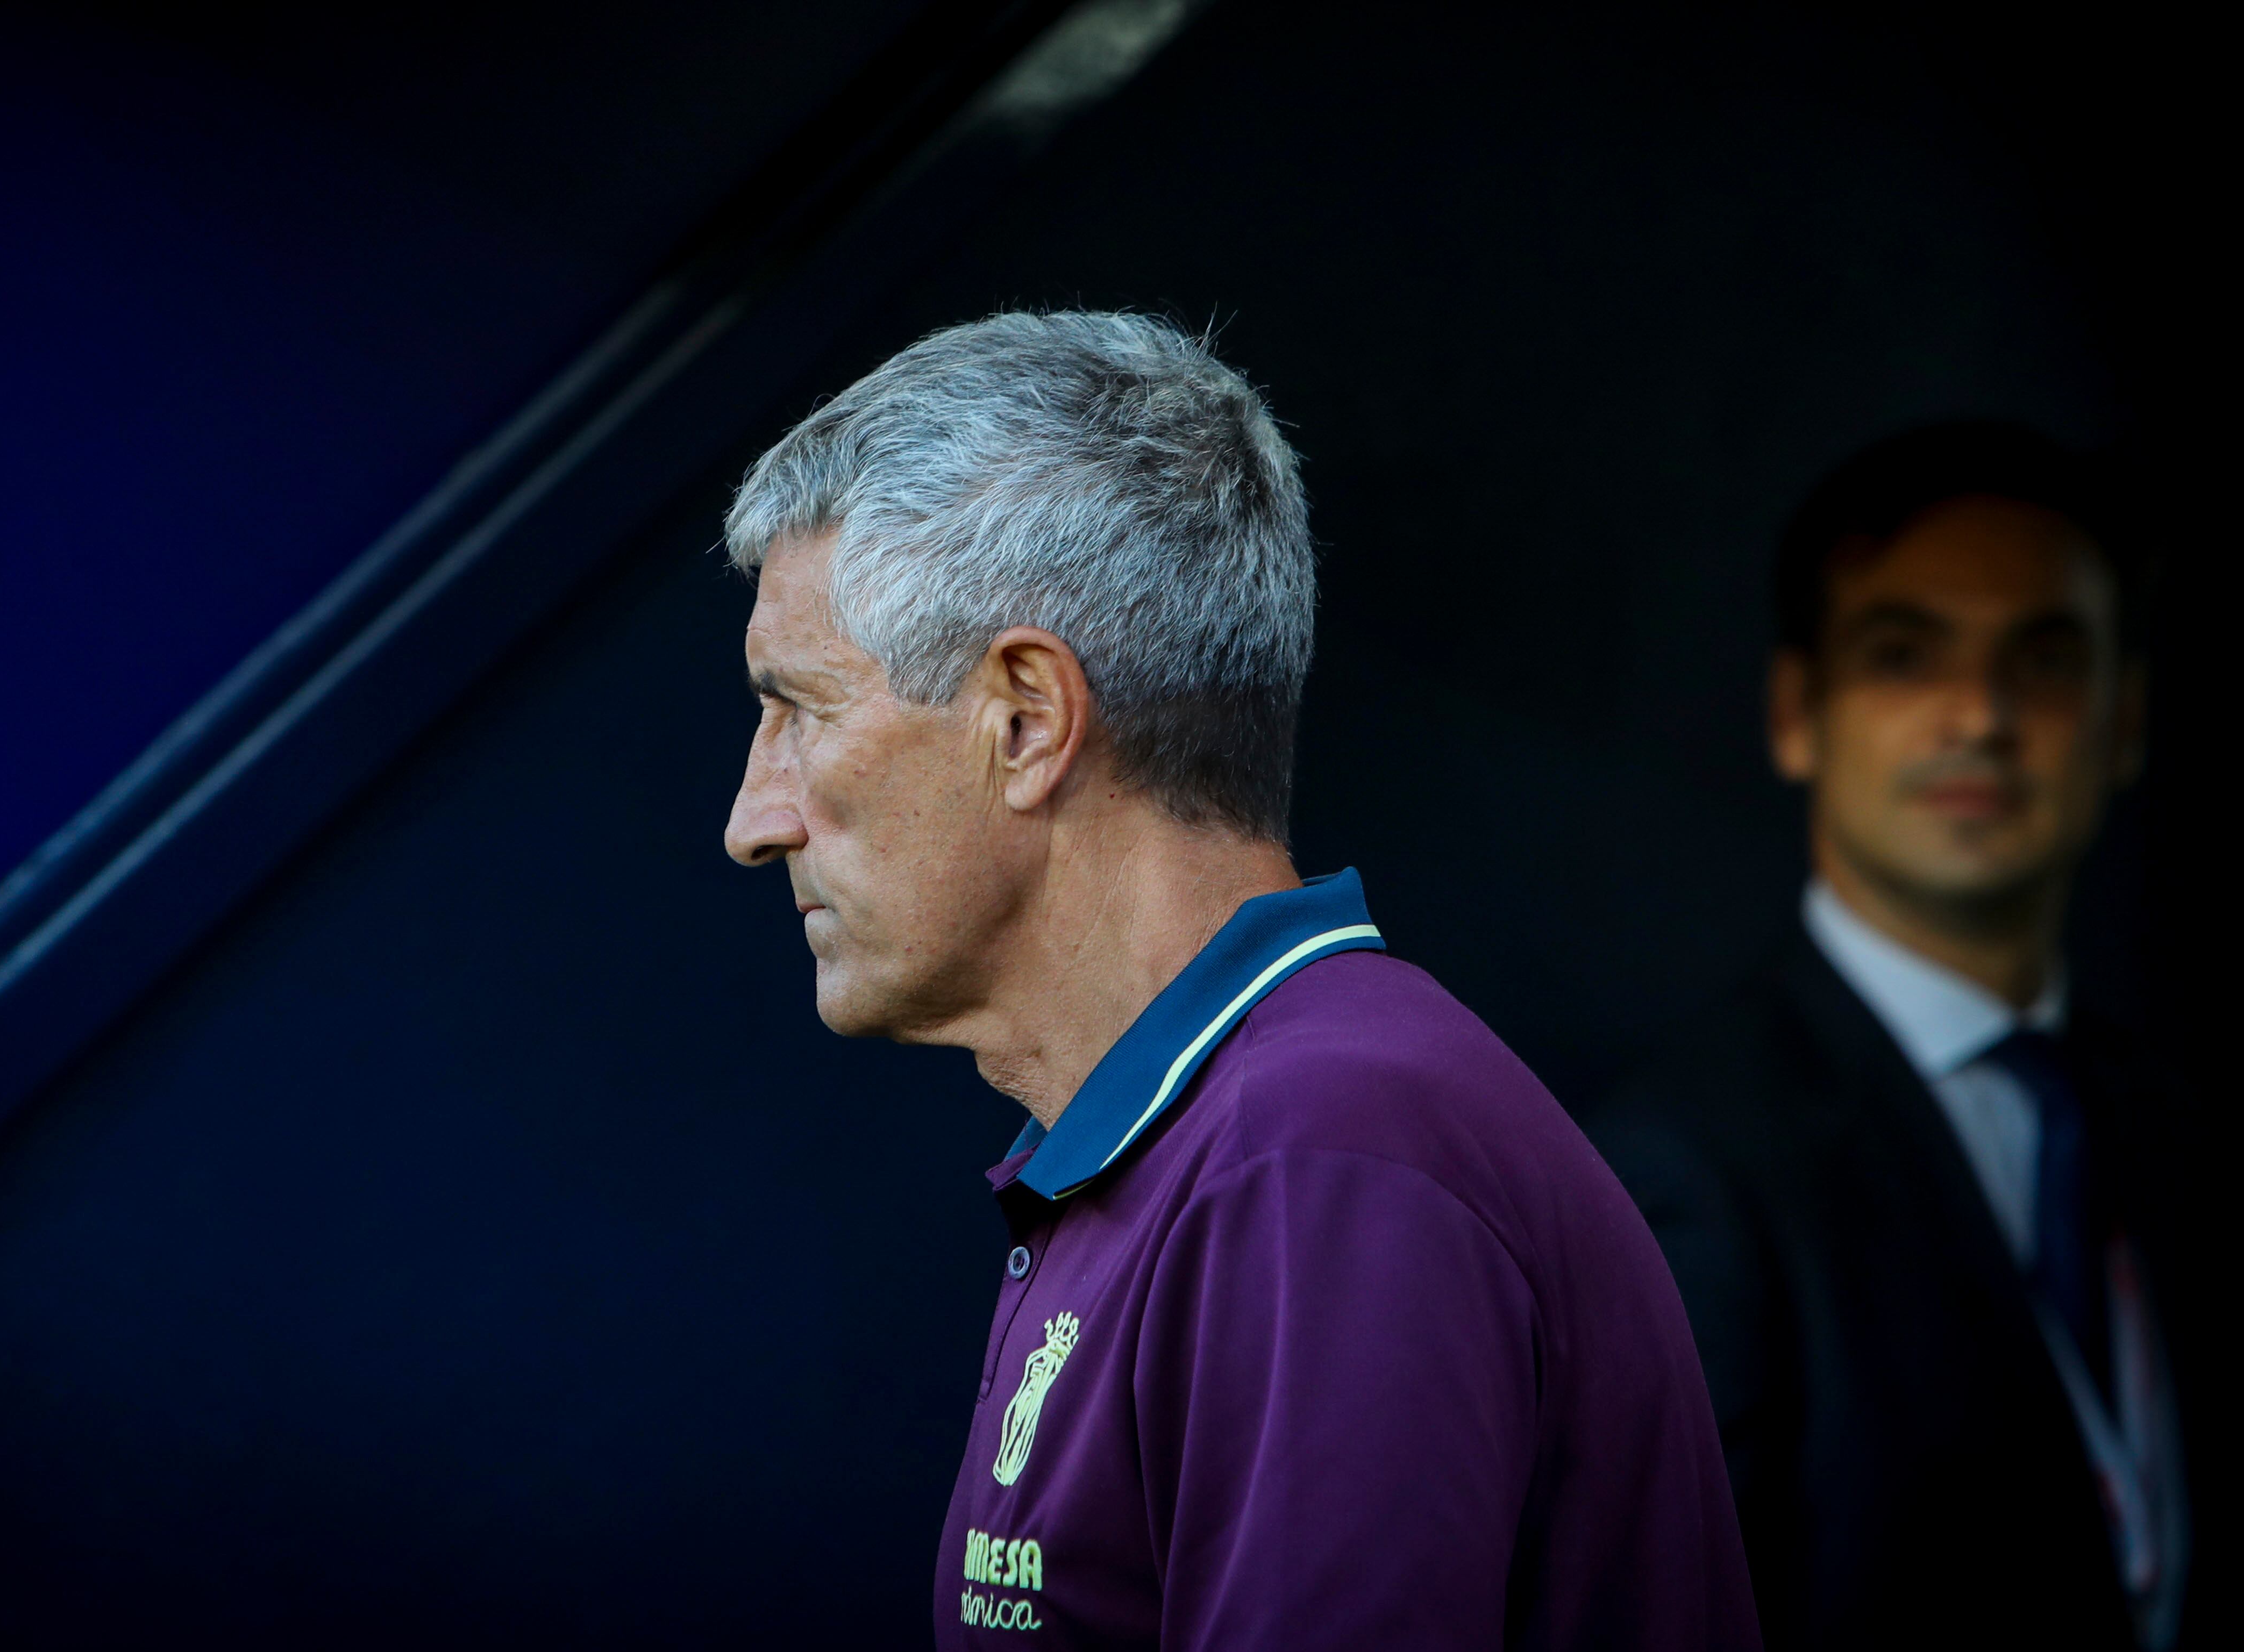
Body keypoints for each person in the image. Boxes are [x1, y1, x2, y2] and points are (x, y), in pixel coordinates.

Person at [719, 312, 1758, 1649]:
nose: (754, 817)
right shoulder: (1226, 1135)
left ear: (1026, 719)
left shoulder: (1317, 1154)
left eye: (799, 705)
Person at [1590, 423, 2204, 1650]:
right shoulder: (1681, 1172)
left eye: (2044, 658)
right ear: (1797, 713)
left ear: (2123, 721)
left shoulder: (2163, 1124)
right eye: (1904, 655)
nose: (1978, 715)